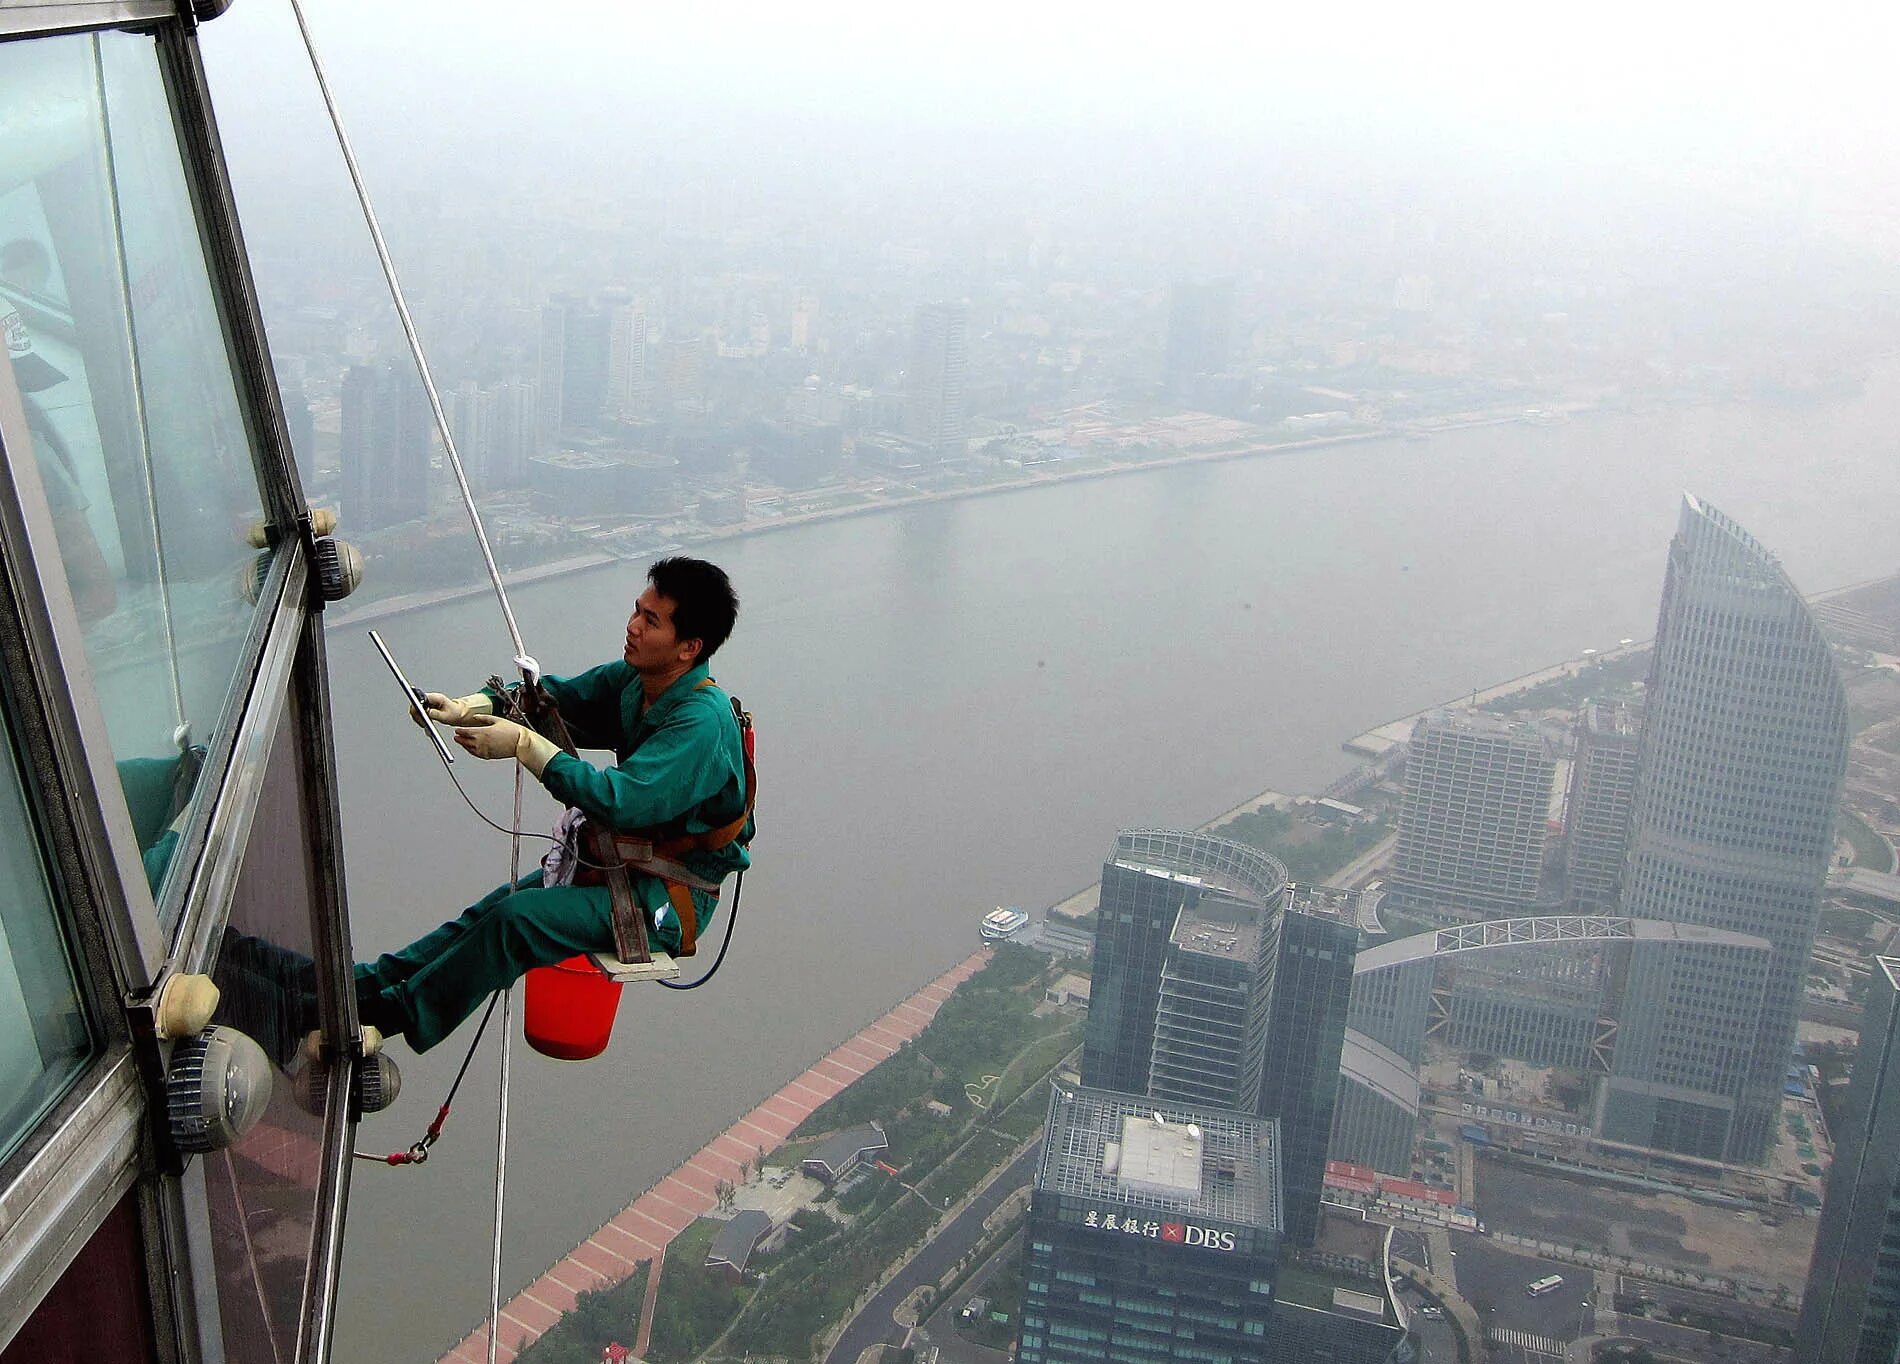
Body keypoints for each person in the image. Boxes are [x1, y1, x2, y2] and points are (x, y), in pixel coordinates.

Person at [353, 556, 750, 1053]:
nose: (632, 627)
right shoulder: (639, 683)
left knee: (516, 921)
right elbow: (553, 699)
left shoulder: (701, 723)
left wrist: (525, 746)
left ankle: (391, 1017)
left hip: (666, 899)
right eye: (636, 611)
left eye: (651, 621)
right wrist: (472, 707)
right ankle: (363, 988)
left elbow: (619, 801)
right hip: (627, 867)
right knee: (491, 912)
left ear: (689, 647)